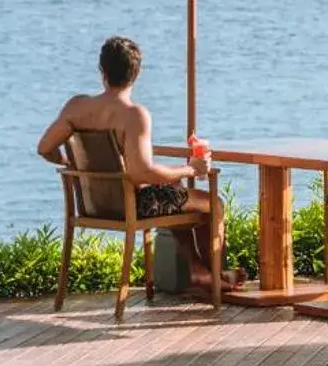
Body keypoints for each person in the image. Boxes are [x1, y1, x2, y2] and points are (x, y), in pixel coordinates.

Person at [36, 36, 237, 295]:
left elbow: (44, 148)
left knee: (172, 190)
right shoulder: (134, 115)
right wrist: (192, 169)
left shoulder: (77, 107)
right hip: (131, 205)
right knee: (213, 203)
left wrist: (72, 166)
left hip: (92, 205)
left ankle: (199, 270)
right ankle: (216, 277)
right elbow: (140, 172)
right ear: (137, 74)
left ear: (102, 71)